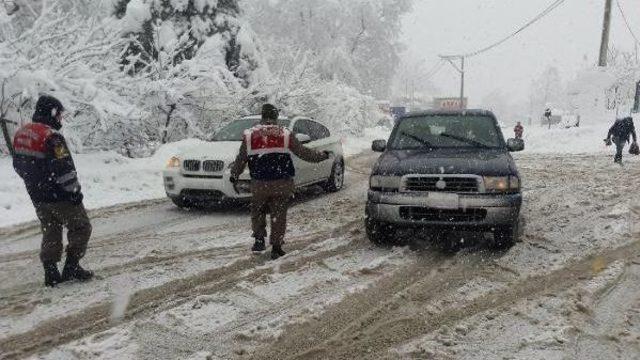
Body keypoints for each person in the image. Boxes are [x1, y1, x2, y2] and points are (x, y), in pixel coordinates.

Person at [13, 95, 94, 287]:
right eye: (59, 114)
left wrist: (35, 182)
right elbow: (64, 170)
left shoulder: (21, 134)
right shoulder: (51, 137)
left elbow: (17, 166)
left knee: (51, 229)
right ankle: (71, 267)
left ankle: (50, 273)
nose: (60, 119)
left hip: (37, 196)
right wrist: (74, 192)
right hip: (59, 196)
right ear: (51, 113)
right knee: (82, 227)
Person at [230, 104, 330, 260]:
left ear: (262, 117)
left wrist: (234, 174)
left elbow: (241, 158)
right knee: (278, 214)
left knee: (258, 210)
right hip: (282, 181)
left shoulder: (250, 135)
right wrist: (321, 156)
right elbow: (303, 152)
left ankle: (258, 240)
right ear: (276, 117)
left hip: (259, 182)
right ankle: (276, 247)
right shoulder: (285, 133)